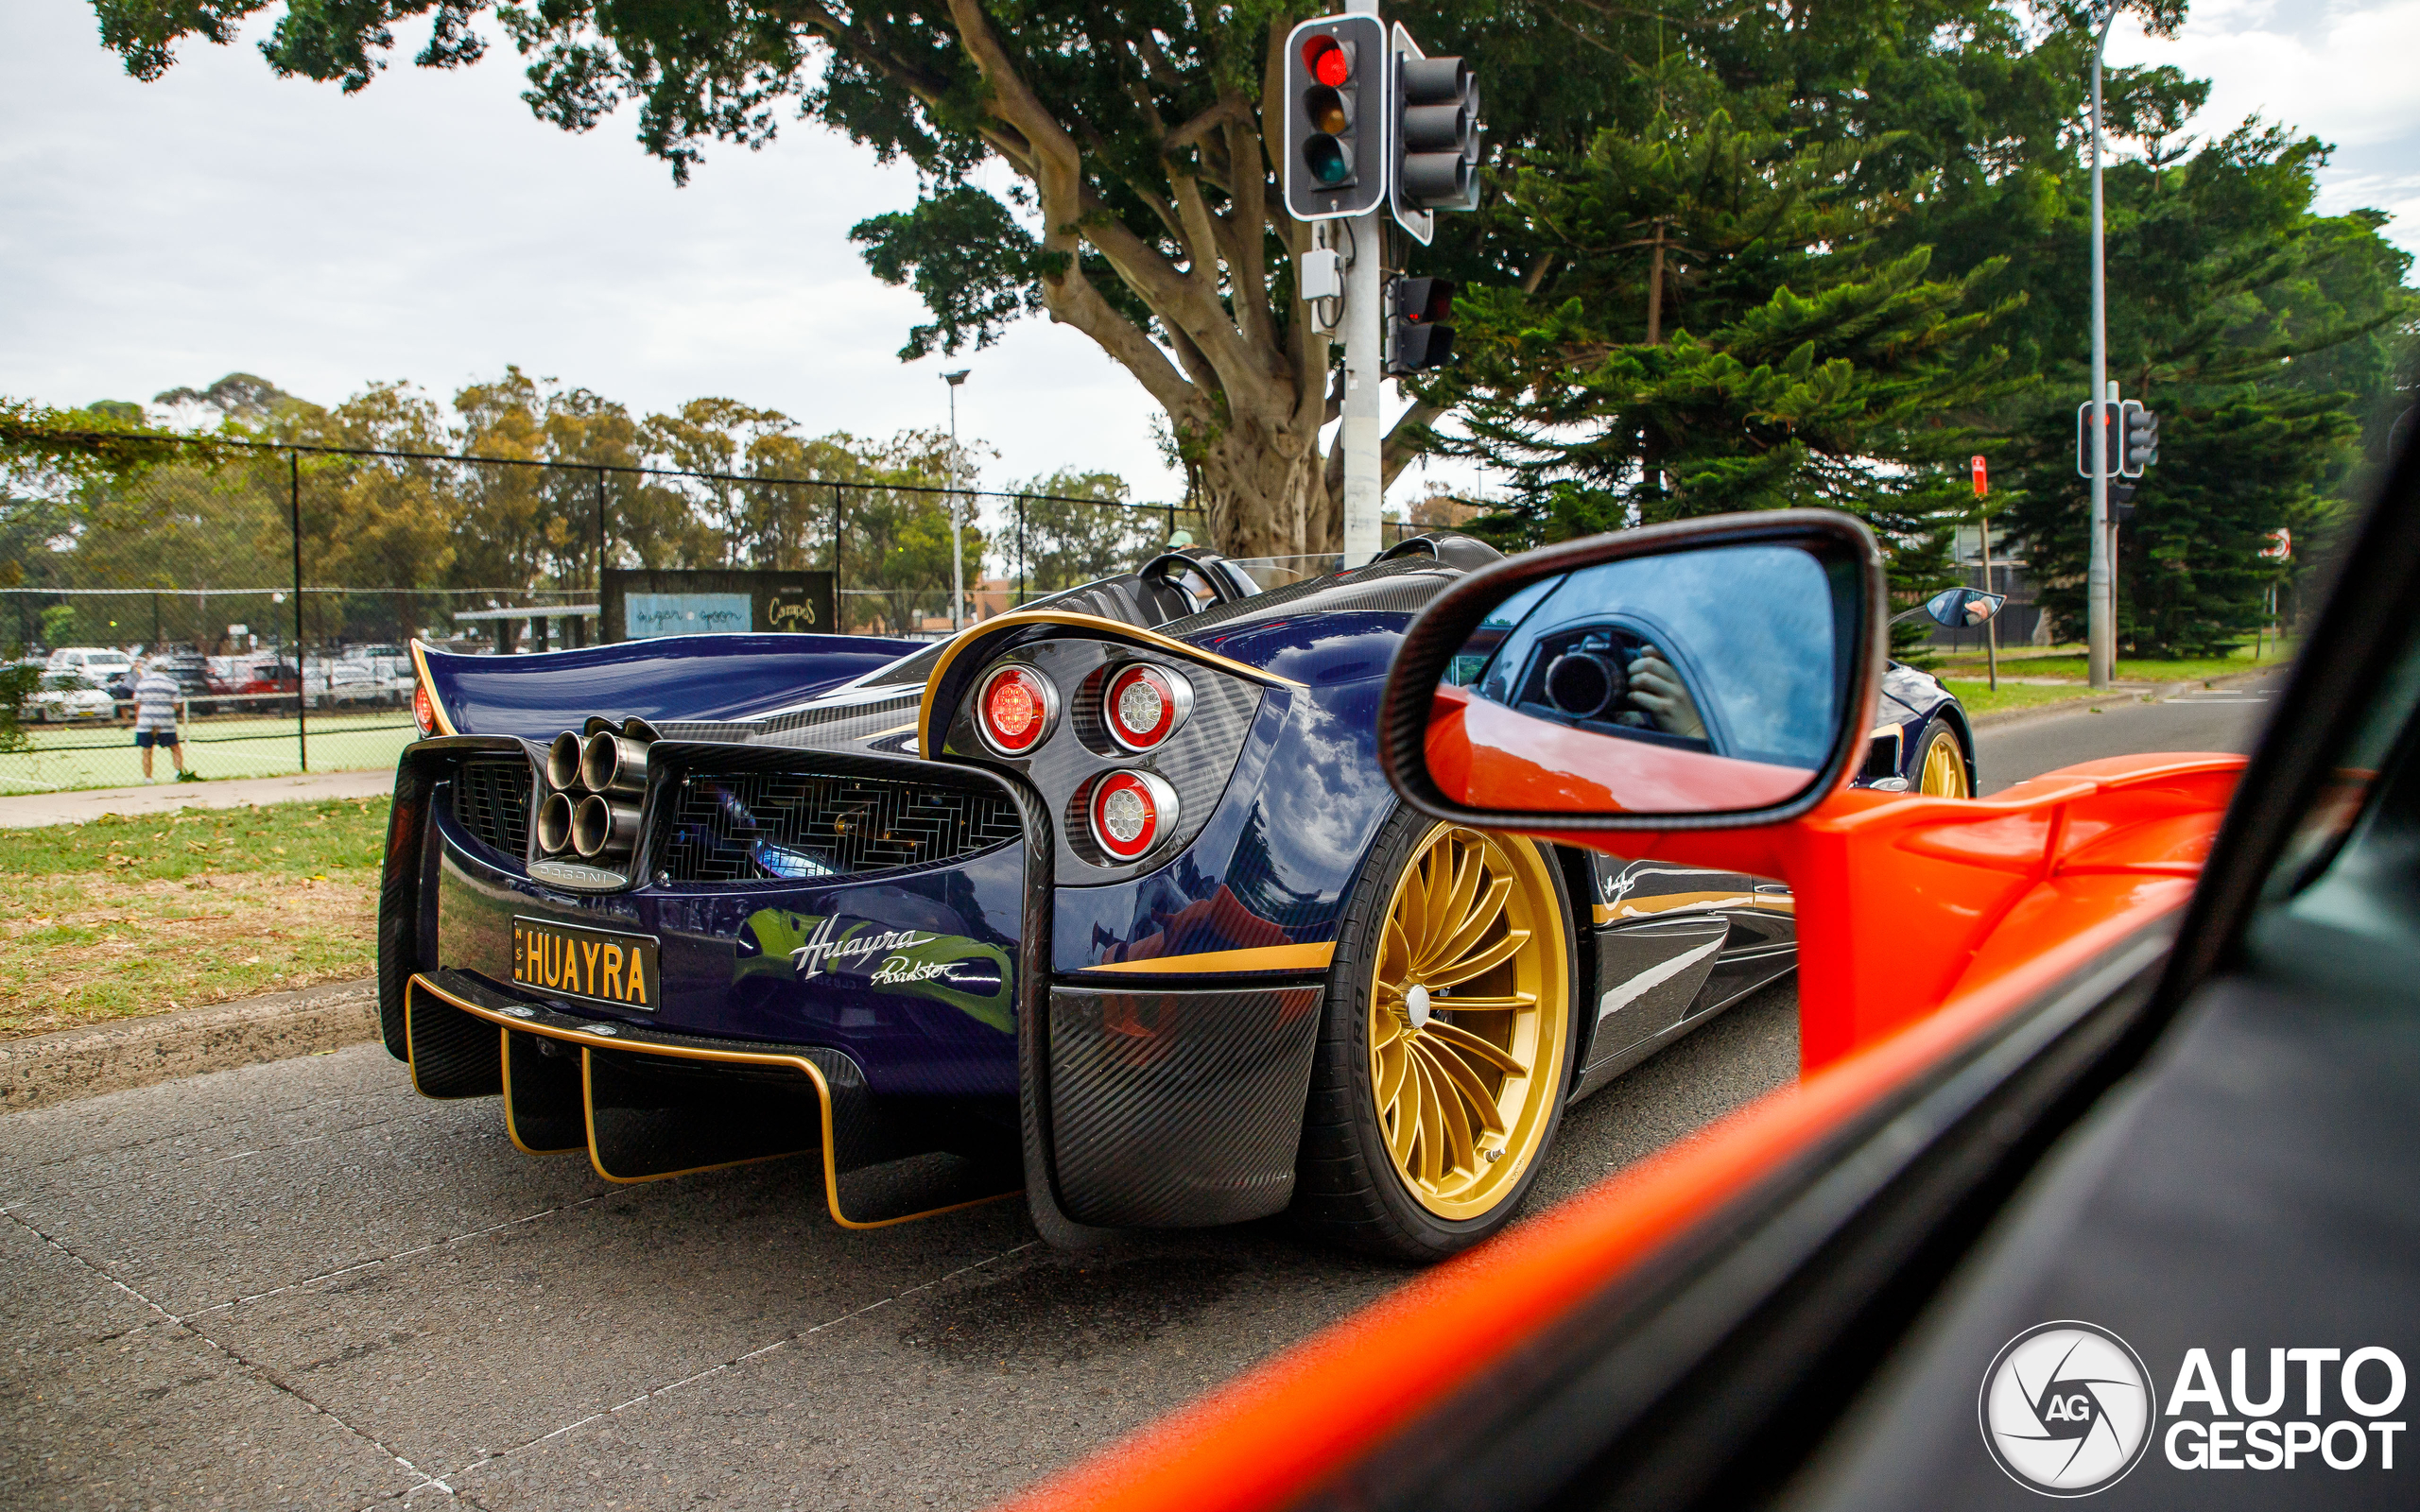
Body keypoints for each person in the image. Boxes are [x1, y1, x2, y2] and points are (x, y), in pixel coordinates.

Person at [130, 658, 194, 782]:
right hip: (166, 721)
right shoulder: (171, 683)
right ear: (165, 669)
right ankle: (178, 773)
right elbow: (176, 705)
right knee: (174, 747)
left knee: (147, 750)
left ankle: (148, 778)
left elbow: (137, 703)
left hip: (146, 721)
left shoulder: (142, 683)